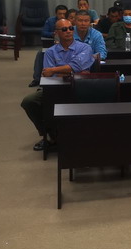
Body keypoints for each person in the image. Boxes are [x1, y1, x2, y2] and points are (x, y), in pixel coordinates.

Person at [21, 19, 94, 151]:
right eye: (64, 29)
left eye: (70, 28)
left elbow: (75, 66)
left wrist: (56, 70)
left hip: (79, 88)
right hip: (55, 89)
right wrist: (70, 71)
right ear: (56, 33)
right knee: (28, 101)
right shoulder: (50, 52)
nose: (68, 31)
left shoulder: (85, 48)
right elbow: (49, 75)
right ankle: (48, 134)